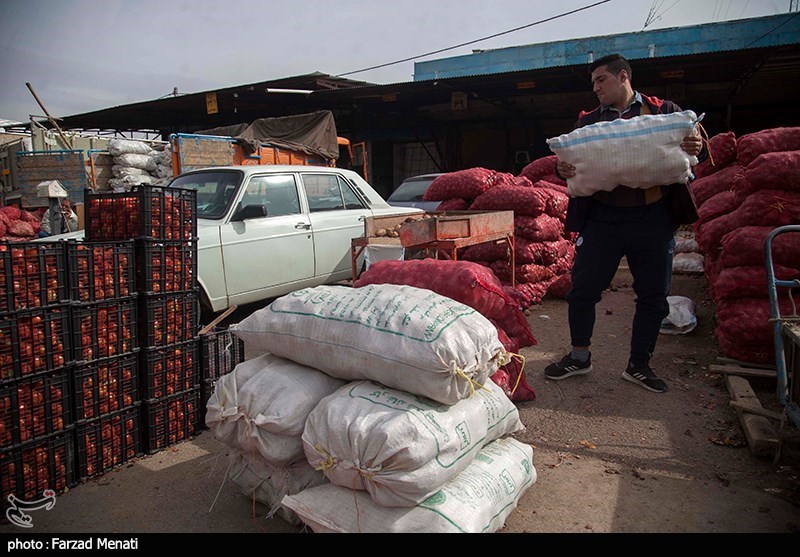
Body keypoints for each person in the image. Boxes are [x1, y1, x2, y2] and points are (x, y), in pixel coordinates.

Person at [544, 53, 705, 393]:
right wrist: (563, 169)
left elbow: (692, 149)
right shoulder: (587, 122)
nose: (596, 88)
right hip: (602, 218)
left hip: (653, 216)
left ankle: (639, 365)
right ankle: (579, 356)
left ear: (622, 76)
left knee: (653, 295)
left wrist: (697, 144)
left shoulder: (664, 112)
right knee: (582, 291)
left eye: (601, 80)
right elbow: (569, 164)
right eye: (593, 84)